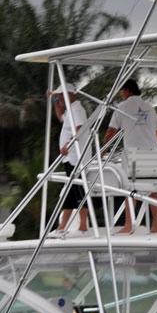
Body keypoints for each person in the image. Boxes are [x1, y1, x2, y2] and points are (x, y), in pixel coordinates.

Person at [103, 78, 157, 233]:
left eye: (122, 91)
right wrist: (155, 147)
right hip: (152, 156)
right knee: (153, 189)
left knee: (129, 189)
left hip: (133, 157)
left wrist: (102, 150)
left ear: (127, 91)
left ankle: (129, 224)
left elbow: (111, 132)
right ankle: (156, 224)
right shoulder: (149, 107)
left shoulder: (122, 107)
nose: (122, 94)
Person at [51, 83, 92, 233]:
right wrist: (55, 102)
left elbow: (79, 128)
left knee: (78, 190)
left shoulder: (77, 109)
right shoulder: (71, 110)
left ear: (70, 94)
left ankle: (83, 225)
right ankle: (62, 226)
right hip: (70, 159)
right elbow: (61, 118)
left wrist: (68, 144)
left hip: (76, 158)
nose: (60, 98)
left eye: (61, 95)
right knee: (69, 192)